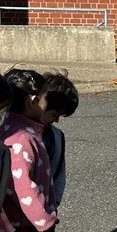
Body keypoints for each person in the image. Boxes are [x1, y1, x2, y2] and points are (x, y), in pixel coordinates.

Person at [0, 69, 57, 232]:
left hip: (27, 224)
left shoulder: (26, 130)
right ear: (32, 99)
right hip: (25, 225)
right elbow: (23, 188)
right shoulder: (21, 138)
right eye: (44, 99)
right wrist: (45, 220)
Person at [39, 72, 78, 208]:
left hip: (48, 208)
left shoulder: (56, 136)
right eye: (54, 114)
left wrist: (55, 202)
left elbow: (60, 170)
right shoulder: (19, 135)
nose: (56, 120)